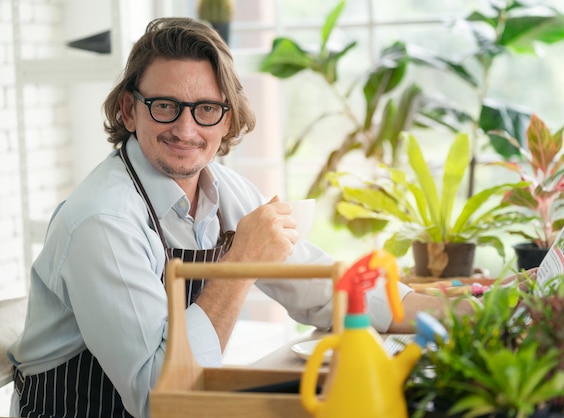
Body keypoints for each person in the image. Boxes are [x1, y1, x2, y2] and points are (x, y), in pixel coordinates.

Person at [7, 17, 512, 418]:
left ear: (227, 118)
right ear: (129, 109)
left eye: (206, 108)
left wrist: (446, 310)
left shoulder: (220, 186)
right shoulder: (104, 222)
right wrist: (243, 261)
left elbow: (317, 287)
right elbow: (162, 401)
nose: (186, 128)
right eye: (165, 106)